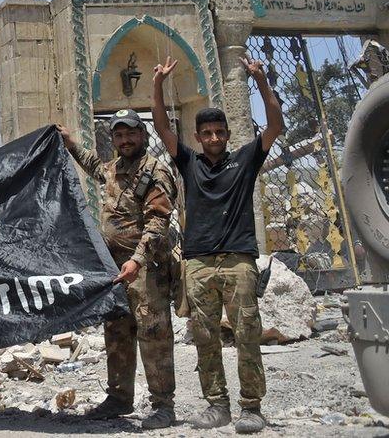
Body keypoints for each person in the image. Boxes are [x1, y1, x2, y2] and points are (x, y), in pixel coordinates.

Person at [151, 55, 283, 434]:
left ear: (227, 135)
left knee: (246, 333)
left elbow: (275, 125)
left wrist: (260, 79)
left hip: (239, 261)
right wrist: (158, 85)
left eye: (218, 133)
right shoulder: (189, 163)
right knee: (205, 336)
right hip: (198, 263)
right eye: (206, 134)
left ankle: (252, 407)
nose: (212, 139)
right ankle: (217, 404)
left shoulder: (244, 160)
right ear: (198, 137)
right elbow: (161, 128)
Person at [57, 110, 178, 429]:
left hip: (145, 268)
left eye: (131, 134)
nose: (125, 140)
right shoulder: (114, 169)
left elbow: (158, 222)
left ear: (144, 135)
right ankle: (119, 398)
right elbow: (96, 167)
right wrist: (70, 144)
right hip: (115, 269)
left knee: (154, 334)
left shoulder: (155, 170)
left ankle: (164, 405)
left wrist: (136, 259)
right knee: (117, 332)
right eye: (119, 135)